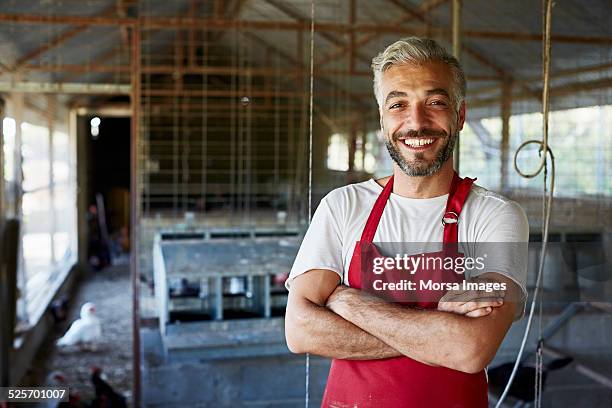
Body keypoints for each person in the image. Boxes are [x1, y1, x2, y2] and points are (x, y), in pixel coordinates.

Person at [284, 37, 529, 407]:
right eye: (398, 104)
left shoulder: (496, 217)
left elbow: (470, 349)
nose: (416, 122)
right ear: (383, 120)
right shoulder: (343, 206)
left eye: (435, 102)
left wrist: (348, 303)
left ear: (460, 115)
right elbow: (300, 331)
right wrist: (434, 331)